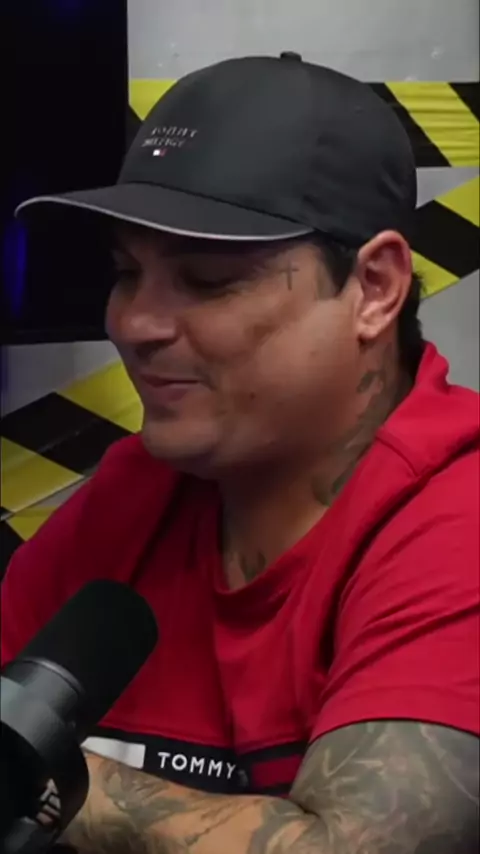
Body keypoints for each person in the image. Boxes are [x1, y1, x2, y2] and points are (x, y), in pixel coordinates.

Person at [2, 53, 479, 854]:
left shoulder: (457, 518)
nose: (135, 323)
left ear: (374, 287)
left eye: (207, 280)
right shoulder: (133, 498)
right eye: (126, 272)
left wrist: (24, 767)